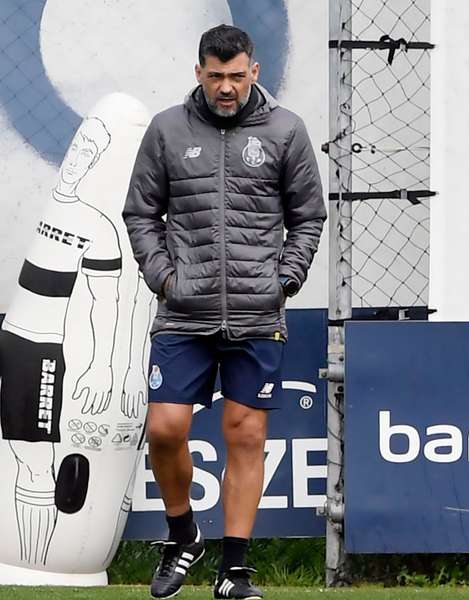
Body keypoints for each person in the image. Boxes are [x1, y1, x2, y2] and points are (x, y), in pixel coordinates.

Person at [123, 24, 326, 599]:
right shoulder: (166, 129)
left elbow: (307, 215)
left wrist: (285, 278)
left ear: (254, 71)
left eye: (237, 76)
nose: (227, 87)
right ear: (199, 73)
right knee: (165, 429)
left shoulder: (286, 131)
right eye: (216, 77)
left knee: (245, 433)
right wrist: (164, 277)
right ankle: (183, 535)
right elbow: (141, 212)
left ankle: (233, 570)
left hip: (257, 314)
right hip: (183, 313)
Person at [0, 116, 121, 565]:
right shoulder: (45, 208)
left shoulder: (98, 227)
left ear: (94, 164)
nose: (79, 159)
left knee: (33, 461)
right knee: (11, 452)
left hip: (46, 350)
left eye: (91, 153)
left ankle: (35, 566)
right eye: (79, 146)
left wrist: (102, 365)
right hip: (10, 343)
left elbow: (103, 303)